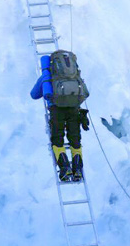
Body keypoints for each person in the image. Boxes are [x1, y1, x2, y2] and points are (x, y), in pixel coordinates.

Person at [30, 51, 89, 182]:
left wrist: (46, 83)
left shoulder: (48, 75)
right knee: (75, 139)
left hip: (57, 110)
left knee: (57, 139)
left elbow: (33, 95)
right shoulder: (74, 74)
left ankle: (65, 169)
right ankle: (77, 169)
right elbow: (86, 92)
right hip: (74, 107)